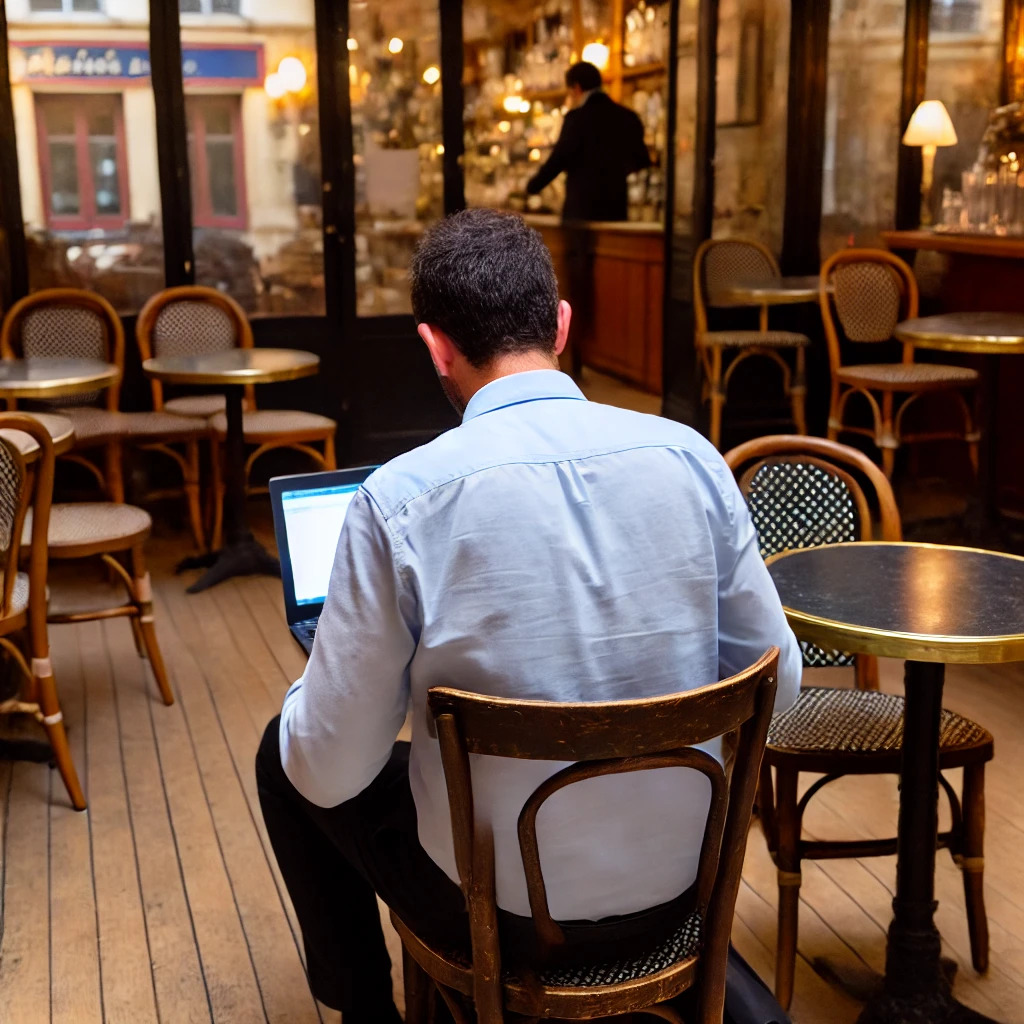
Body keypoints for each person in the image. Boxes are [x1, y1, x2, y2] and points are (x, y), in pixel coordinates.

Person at [255, 208, 802, 1024]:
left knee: (285, 752)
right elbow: (781, 689)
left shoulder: (400, 500)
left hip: (501, 919)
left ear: (434, 344)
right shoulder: (693, 459)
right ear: (562, 325)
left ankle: (369, 1013)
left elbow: (330, 772)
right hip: (681, 890)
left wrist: (336, 681)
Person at [526, 61, 651, 222]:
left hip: (581, 213)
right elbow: (641, 161)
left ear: (576, 88)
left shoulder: (576, 119)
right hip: (616, 209)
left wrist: (532, 187)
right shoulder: (628, 117)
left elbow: (558, 160)